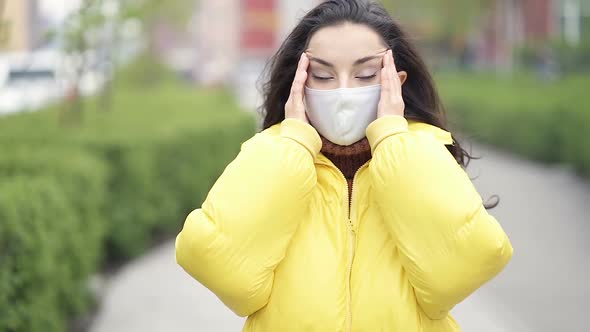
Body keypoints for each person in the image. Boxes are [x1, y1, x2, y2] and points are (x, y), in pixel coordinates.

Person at [174, 0, 514, 331]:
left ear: (397, 81)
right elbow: (214, 262)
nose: (343, 91)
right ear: (300, 84)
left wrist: (394, 145)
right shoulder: (272, 156)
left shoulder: (423, 153)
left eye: (365, 74)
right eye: (322, 76)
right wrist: (292, 146)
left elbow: (469, 264)